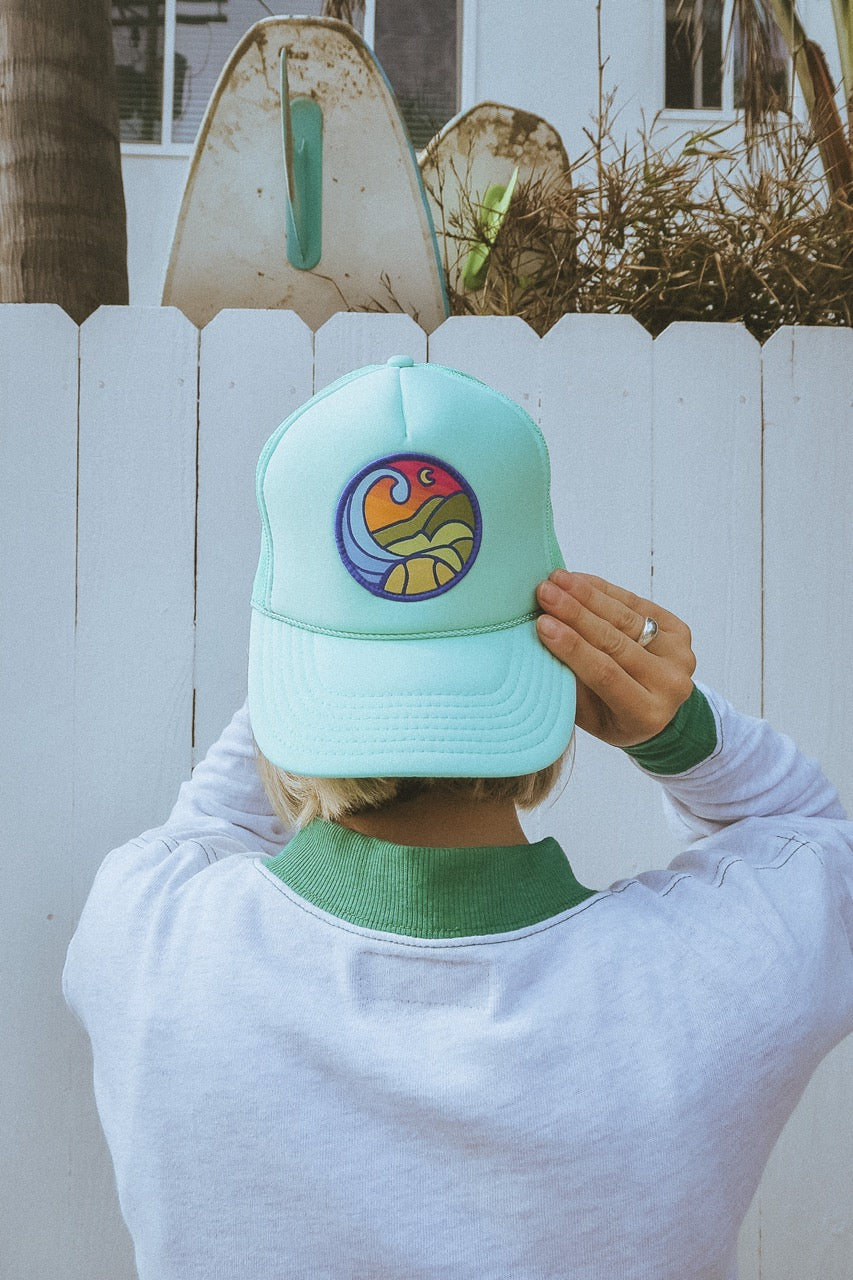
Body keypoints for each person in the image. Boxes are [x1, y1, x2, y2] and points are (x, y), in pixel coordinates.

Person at [64, 357, 853, 1280]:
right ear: (566, 666)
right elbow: (809, 836)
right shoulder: (720, 968)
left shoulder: (148, 934)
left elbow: (213, 826)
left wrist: (334, 639)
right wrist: (678, 730)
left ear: (278, 683)